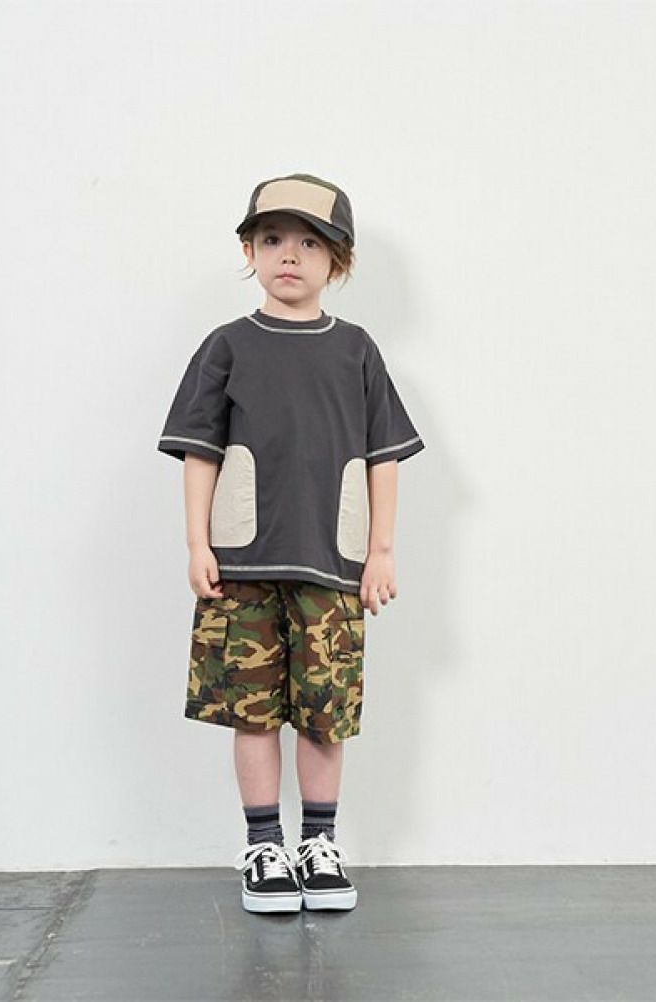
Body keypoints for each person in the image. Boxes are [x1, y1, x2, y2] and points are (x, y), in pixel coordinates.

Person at [157, 172, 425, 914]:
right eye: (272, 239)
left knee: (324, 713)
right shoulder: (227, 346)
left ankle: (319, 844)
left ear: (338, 261)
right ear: (249, 251)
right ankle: (263, 846)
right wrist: (196, 543)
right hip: (240, 565)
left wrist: (381, 551)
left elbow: (383, 458)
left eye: (310, 243)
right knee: (250, 712)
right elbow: (200, 452)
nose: (289, 255)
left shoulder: (356, 351)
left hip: (333, 567)